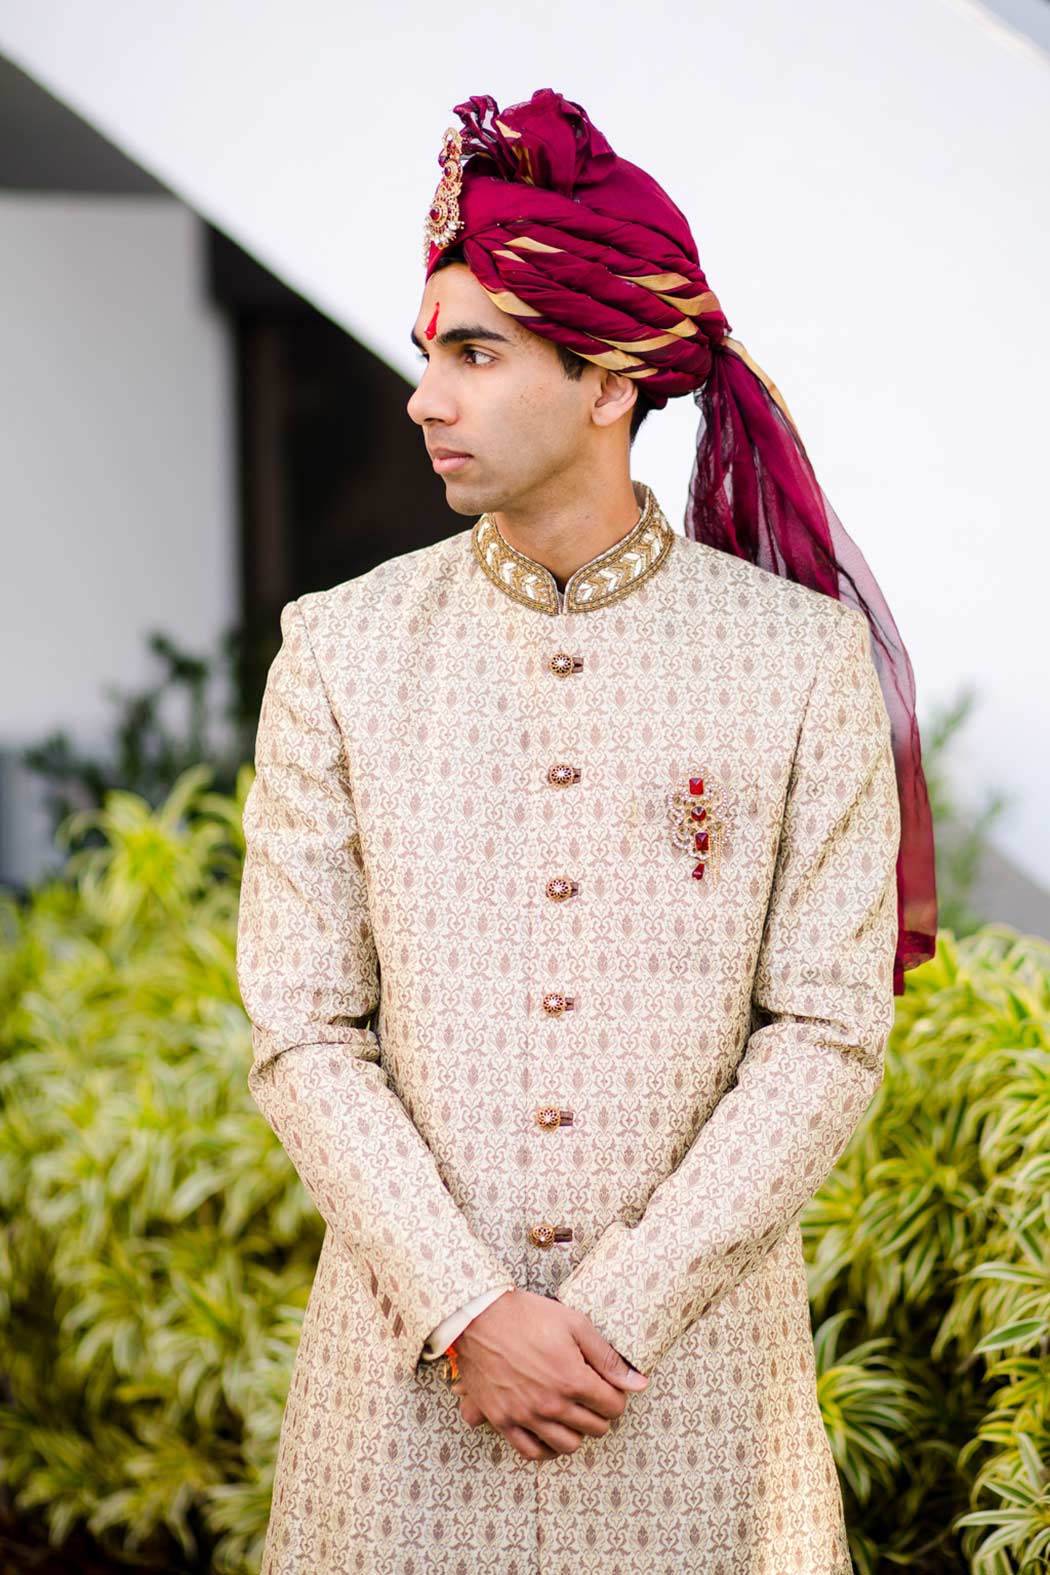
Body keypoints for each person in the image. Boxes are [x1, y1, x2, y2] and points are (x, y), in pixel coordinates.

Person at [235, 87, 937, 1575]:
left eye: (474, 352)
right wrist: (468, 1310)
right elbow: (301, 1024)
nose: (425, 395)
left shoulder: (794, 661)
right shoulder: (343, 652)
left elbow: (824, 1029)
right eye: (430, 352)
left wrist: (608, 1320)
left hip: (690, 1412)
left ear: (609, 378)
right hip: (404, 1399)